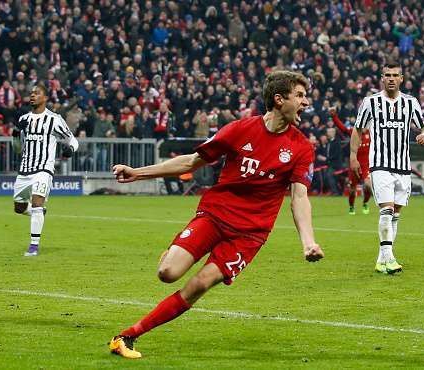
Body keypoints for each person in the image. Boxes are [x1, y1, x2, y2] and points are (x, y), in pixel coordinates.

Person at [108, 70, 324, 359]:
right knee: (167, 273)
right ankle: (176, 252)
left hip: (250, 234)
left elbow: (299, 198)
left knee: (200, 283)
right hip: (215, 214)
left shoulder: (301, 148)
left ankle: (128, 336)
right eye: (299, 95)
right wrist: (138, 173)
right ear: (278, 99)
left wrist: (308, 242)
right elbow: (192, 162)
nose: (306, 102)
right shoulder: (239, 129)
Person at [350, 62, 424, 274]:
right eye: (388, 75)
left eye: (395, 75)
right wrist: (353, 156)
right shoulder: (371, 102)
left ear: (402, 78)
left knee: (395, 215)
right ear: (382, 78)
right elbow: (357, 129)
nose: (391, 78)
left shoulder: (411, 103)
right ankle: (390, 258)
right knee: (386, 210)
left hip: (403, 167)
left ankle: (381, 259)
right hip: (380, 165)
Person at [13, 83, 78, 256]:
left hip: (44, 169)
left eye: (37, 93)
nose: (32, 95)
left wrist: (70, 150)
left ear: (45, 98)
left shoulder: (54, 119)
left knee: (36, 204)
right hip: (25, 169)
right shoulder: (23, 119)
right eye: (31, 93)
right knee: (19, 207)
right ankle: (39, 212)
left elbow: (72, 141)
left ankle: (33, 247)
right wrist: (15, 133)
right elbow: (17, 149)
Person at [328, 106, 372, 215]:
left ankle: (365, 202)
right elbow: (342, 128)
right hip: (354, 165)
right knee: (352, 190)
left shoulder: (372, 134)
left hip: (366, 165)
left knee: (368, 186)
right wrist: (334, 116)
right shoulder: (354, 132)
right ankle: (351, 206)